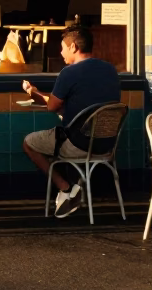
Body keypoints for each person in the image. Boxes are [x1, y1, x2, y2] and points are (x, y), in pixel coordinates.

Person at [22, 25, 121, 217]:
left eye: (63, 47)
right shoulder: (110, 70)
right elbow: (80, 104)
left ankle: (66, 189)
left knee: (30, 143)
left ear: (73, 47)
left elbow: (51, 106)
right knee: (59, 138)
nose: (61, 52)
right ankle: (75, 188)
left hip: (79, 144)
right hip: (107, 145)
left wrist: (32, 92)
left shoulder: (69, 73)